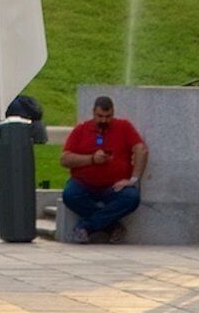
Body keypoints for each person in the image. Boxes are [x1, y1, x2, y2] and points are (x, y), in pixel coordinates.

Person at [58, 94, 147, 240]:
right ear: (93, 113)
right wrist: (92, 159)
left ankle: (86, 227)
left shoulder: (124, 127)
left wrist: (133, 179)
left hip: (114, 187)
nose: (104, 120)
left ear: (113, 113)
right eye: (100, 116)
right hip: (84, 184)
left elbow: (141, 150)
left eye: (108, 116)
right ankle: (111, 226)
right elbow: (65, 159)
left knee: (132, 198)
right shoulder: (81, 129)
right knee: (70, 195)